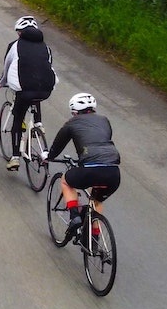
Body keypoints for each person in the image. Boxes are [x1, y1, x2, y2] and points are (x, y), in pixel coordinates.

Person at [42, 93, 122, 238]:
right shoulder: (104, 120)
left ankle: (74, 217)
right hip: (113, 172)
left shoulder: (72, 123)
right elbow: (101, 140)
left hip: (90, 169)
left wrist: (48, 157)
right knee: (96, 200)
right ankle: (95, 238)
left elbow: (58, 144)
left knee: (66, 180)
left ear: (74, 111)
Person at [0, 16, 58, 170]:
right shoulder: (46, 47)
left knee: (18, 119)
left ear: (20, 33)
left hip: (24, 90)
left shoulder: (15, 46)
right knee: (36, 92)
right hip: (46, 90)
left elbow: (7, 67)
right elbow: (45, 69)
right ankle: (38, 123)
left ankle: (15, 157)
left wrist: (0, 83)